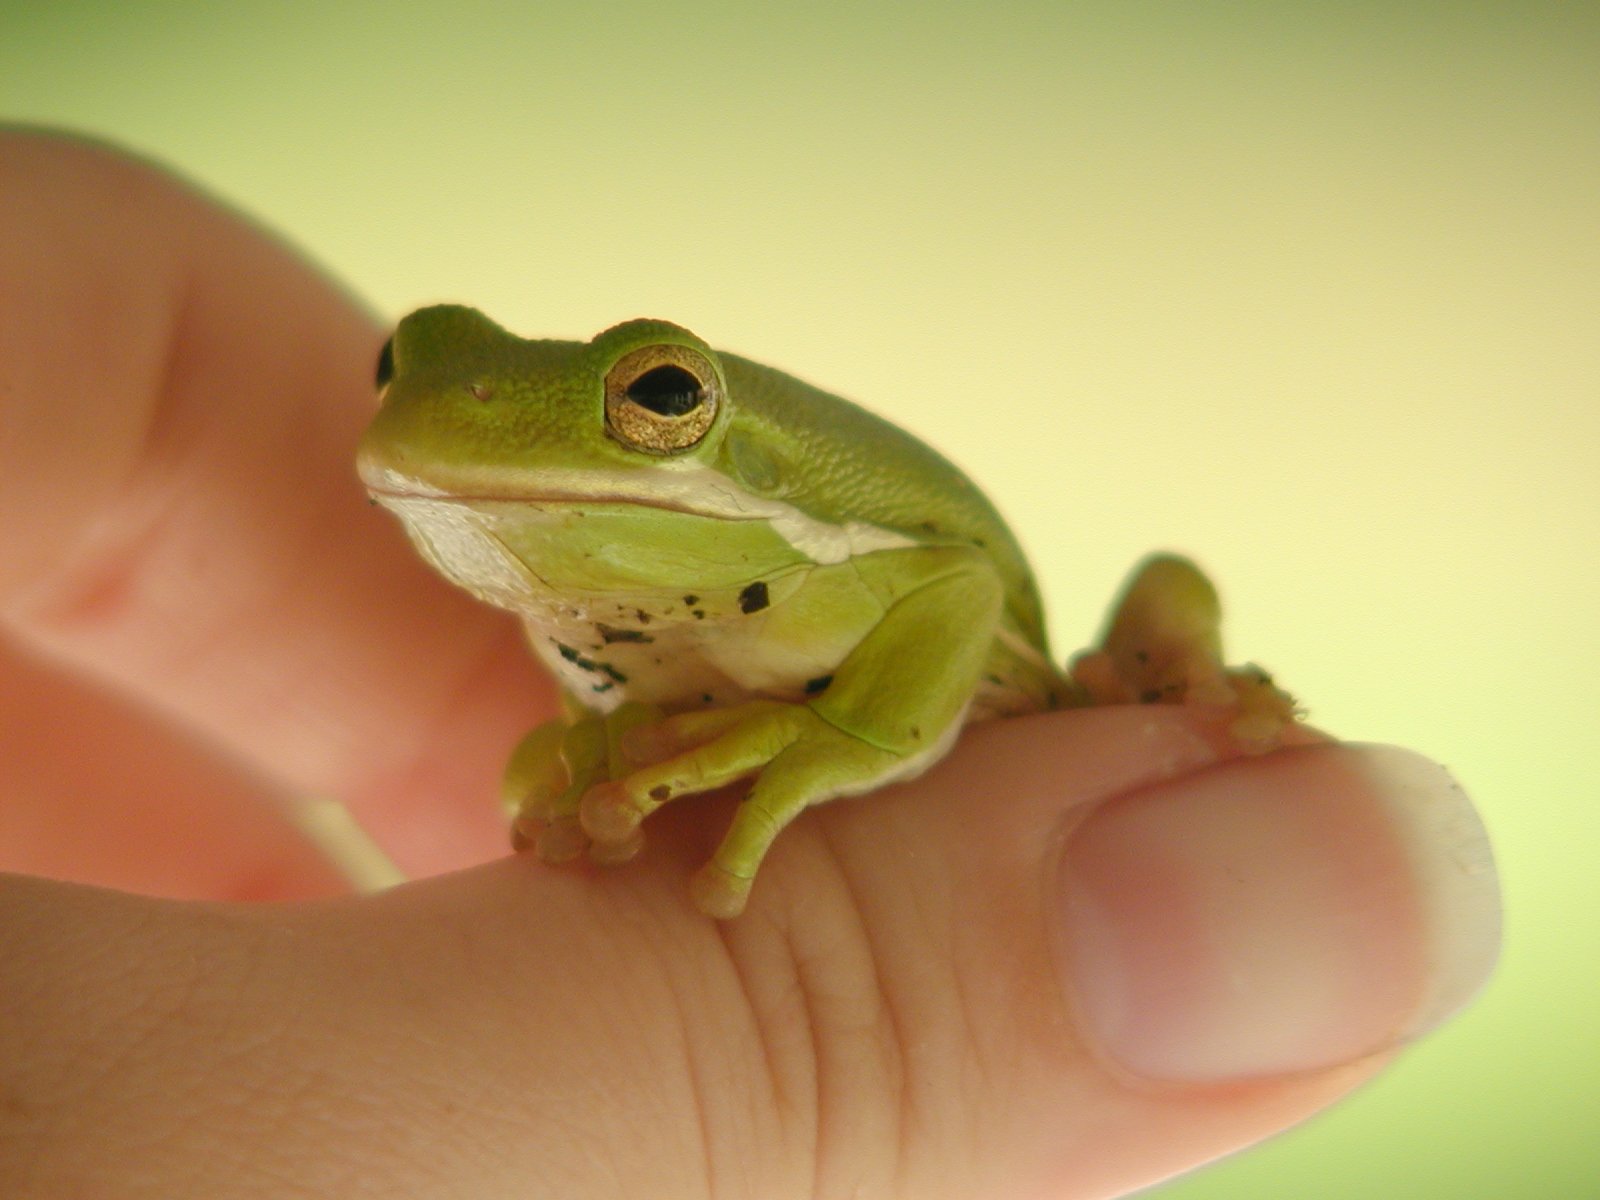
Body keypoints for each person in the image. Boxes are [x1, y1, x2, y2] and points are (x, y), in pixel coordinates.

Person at [0, 129, 1500, 1200]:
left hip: (974, 687)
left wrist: (845, 739)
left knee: (1162, 611)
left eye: (653, 397)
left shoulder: (810, 561)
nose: (424, 409)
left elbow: (954, 585)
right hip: (693, 700)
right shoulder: (565, 589)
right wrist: (585, 767)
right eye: (406, 368)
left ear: (705, 429)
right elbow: (540, 744)